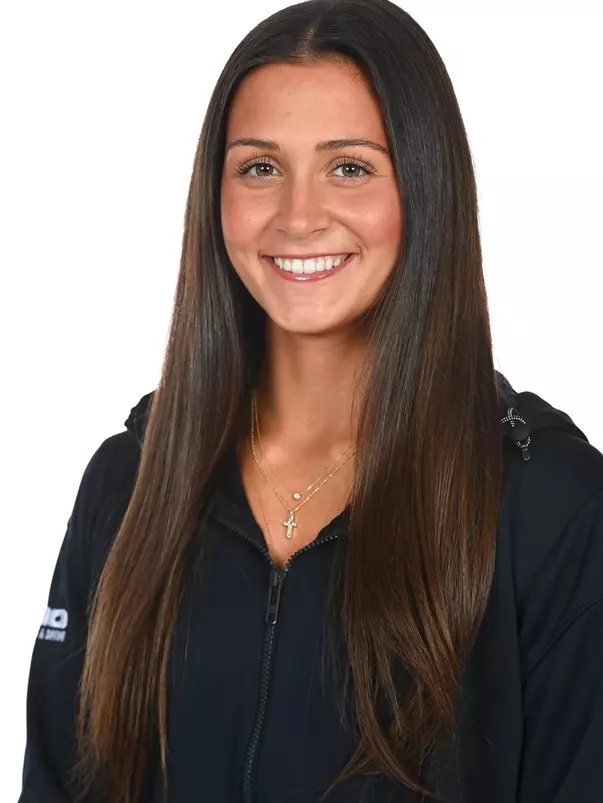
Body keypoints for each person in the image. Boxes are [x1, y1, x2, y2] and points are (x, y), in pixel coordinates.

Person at [18, 0, 603, 801]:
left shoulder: (548, 505)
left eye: (350, 167)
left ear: (424, 189)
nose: (297, 217)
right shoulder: (128, 483)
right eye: (259, 167)